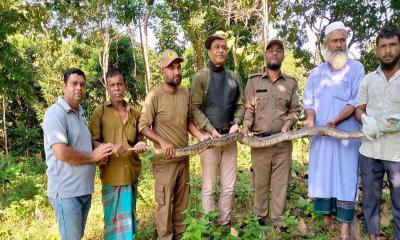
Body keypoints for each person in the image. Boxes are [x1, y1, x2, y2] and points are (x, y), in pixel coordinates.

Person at [303, 21, 365, 239]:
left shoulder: (357, 68)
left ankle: (345, 230)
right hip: (321, 136)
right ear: (326, 44)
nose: (339, 45)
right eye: (335, 40)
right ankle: (327, 222)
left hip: (347, 134)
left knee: (346, 179)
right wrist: (310, 119)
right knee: (324, 177)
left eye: (342, 40)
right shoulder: (315, 74)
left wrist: (337, 120)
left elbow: (356, 99)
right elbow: (308, 102)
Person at [139, 49, 208, 240]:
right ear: (162, 71)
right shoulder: (154, 95)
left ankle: (181, 236)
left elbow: (188, 122)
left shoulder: (185, 93)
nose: (177, 72)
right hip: (164, 162)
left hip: (182, 159)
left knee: (181, 205)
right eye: (171, 68)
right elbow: (143, 126)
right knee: (165, 205)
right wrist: (162, 141)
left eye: (178, 67)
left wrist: (200, 136)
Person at [42, 68, 114, 240]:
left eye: (82, 84)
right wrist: (93, 156)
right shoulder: (55, 114)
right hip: (67, 193)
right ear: (63, 86)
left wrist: (103, 150)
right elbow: (61, 152)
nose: (78, 88)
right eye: (74, 83)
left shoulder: (79, 113)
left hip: (82, 191)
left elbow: (84, 144)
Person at [242, 39, 302, 229]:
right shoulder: (254, 81)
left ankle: (278, 219)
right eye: (270, 50)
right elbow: (248, 109)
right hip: (260, 142)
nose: (274, 53)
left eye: (278, 51)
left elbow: (295, 109)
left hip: (282, 142)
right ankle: (260, 216)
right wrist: (245, 126)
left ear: (283, 55)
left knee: (280, 182)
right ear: (265, 55)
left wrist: (289, 122)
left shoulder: (291, 83)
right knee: (260, 181)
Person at [190, 31, 245, 226]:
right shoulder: (200, 77)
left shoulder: (234, 77)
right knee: (209, 187)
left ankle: (224, 222)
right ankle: (208, 226)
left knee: (229, 186)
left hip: (229, 139)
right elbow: (194, 108)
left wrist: (237, 123)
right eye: (216, 47)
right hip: (209, 140)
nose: (220, 50)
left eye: (223, 47)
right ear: (209, 51)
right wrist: (209, 129)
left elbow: (240, 103)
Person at [89, 68, 147, 239]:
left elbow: (139, 140)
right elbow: (92, 141)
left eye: (120, 84)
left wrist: (141, 145)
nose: (117, 89)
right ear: (107, 88)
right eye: (112, 85)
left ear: (125, 86)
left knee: (128, 224)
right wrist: (109, 147)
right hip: (111, 177)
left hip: (131, 175)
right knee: (113, 226)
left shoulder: (135, 113)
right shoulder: (99, 112)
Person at [355, 26, 400, 240]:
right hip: (370, 150)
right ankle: (373, 237)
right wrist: (364, 119)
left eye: (392, 45)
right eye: (383, 46)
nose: (388, 51)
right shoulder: (368, 79)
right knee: (370, 202)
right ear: (377, 50)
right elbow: (358, 107)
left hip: (397, 153)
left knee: (399, 203)